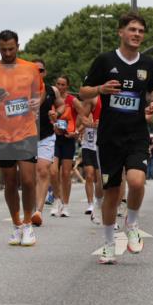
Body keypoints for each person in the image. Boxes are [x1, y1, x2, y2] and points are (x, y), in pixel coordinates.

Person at [79, 13, 153, 265]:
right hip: (109, 137)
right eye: (132, 29)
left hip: (136, 133)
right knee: (112, 192)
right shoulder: (105, 61)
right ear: (120, 32)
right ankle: (108, 244)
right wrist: (100, 90)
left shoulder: (148, 64)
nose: (137, 34)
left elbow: (151, 90)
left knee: (136, 181)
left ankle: (132, 223)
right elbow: (83, 91)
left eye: (140, 31)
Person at [0, 30, 43, 247]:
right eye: (3, 49)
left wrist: (37, 102)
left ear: (18, 46)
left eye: (11, 49)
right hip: (2, 134)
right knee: (10, 182)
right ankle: (16, 225)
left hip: (26, 131)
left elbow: (39, 92)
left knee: (28, 180)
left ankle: (27, 225)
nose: (7, 52)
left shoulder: (30, 68)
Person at [32, 60, 62, 226]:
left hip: (46, 136)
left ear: (45, 72)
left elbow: (62, 106)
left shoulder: (53, 90)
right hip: (26, 137)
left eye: (41, 70)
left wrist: (56, 113)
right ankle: (31, 207)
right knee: (28, 177)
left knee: (43, 171)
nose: (37, 73)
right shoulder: (22, 90)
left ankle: (38, 211)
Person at [50, 75, 78, 217]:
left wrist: (77, 131)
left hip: (68, 139)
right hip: (54, 139)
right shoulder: (51, 99)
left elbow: (84, 115)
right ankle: (57, 199)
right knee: (53, 172)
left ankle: (65, 205)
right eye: (58, 84)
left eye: (63, 84)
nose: (60, 87)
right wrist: (52, 126)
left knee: (66, 174)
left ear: (67, 86)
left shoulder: (72, 100)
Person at [76, 95, 103, 220]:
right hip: (87, 147)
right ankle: (90, 204)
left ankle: (99, 201)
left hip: (98, 147)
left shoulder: (101, 114)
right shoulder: (86, 115)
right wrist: (88, 124)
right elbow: (79, 127)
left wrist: (99, 124)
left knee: (99, 178)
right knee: (89, 176)